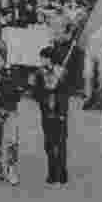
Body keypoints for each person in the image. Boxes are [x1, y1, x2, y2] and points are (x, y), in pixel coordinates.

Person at [36, 46, 69, 186]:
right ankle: (51, 172)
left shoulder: (62, 72)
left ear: (49, 58)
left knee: (60, 143)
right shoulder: (39, 73)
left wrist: (62, 113)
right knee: (49, 143)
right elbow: (35, 94)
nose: (41, 60)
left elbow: (65, 95)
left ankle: (61, 172)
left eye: (43, 57)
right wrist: (42, 91)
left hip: (59, 112)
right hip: (46, 111)